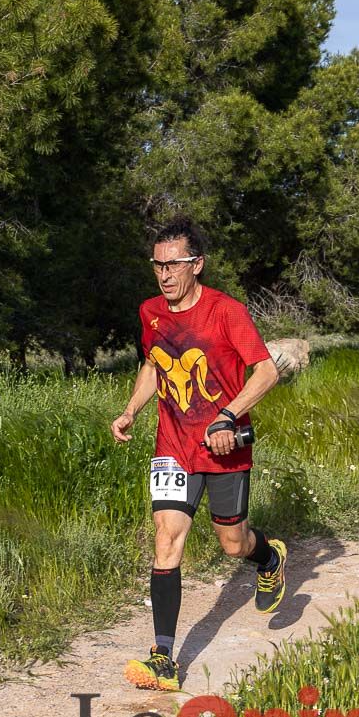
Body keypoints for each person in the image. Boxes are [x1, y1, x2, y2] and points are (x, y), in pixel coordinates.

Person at [111, 217, 284, 691]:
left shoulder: (226, 312)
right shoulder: (150, 311)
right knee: (167, 538)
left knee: (233, 544)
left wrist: (228, 417)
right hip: (173, 444)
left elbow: (266, 373)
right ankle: (163, 656)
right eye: (157, 265)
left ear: (197, 264)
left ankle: (267, 559)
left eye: (173, 264)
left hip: (225, 445)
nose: (164, 274)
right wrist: (130, 411)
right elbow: (153, 365)